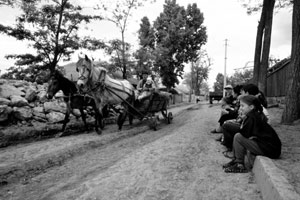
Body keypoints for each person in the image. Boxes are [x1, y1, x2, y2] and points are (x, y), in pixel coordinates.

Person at [222, 95, 281, 173]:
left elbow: (244, 133)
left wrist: (239, 124)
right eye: (240, 105)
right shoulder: (254, 115)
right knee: (238, 136)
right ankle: (236, 160)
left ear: (251, 107)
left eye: (243, 106)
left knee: (238, 137)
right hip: (270, 148)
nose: (241, 108)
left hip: (270, 149)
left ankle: (239, 164)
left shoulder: (252, 117)